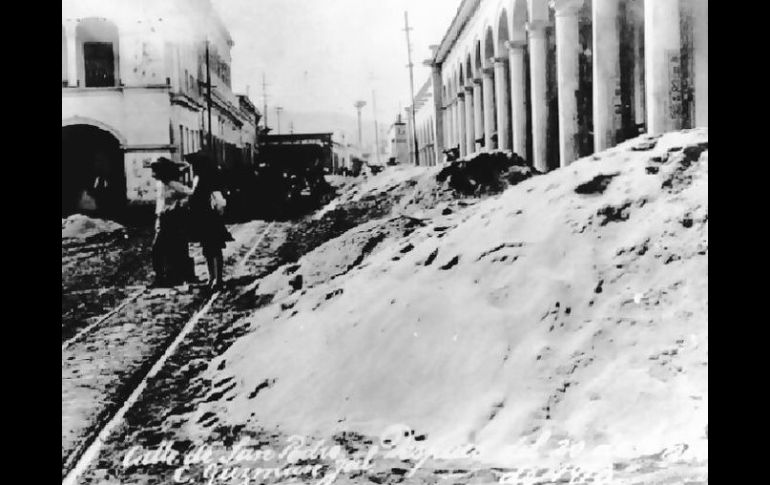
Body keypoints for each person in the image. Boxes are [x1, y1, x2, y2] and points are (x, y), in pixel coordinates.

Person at [186, 152, 233, 290]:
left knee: (215, 248)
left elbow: (219, 201)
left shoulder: (209, 179)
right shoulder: (198, 178)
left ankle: (218, 279)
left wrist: (216, 212)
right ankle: (211, 277)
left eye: (194, 165)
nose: (192, 168)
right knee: (207, 249)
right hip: (202, 218)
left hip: (210, 218)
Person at [150, 157, 195, 287]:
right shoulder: (160, 185)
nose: (153, 174)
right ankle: (162, 277)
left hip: (172, 219)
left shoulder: (173, 184)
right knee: (159, 250)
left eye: (155, 171)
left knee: (170, 248)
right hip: (161, 218)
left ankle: (174, 277)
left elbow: (190, 194)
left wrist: (178, 204)